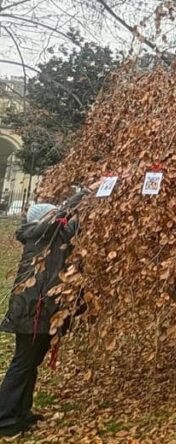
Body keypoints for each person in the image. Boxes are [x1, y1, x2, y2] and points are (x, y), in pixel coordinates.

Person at [0, 183, 97, 438]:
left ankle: (21, 412)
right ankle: (5, 419)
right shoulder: (36, 234)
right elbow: (61, 216)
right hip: (32, 310)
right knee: (23, 363)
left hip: (41, 311)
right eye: (54, 217)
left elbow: (77, 224)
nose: (60, 221)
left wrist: (101, 196)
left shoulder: (54, 239)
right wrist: (84, 192)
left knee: (31, 362)